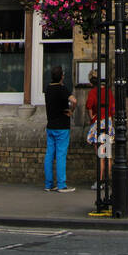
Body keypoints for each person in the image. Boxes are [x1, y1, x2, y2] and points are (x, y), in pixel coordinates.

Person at [43, 64, 76, 192]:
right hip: (62, 126)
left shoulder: (48, 88)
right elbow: (74, 100)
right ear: (62, 76)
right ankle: (61, 185)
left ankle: (49, 184)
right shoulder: (62, 89)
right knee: (61, 155)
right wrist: (71, 110)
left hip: (51, 125)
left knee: (49, 155)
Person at [85, 69, 115, 190]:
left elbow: (89, 106)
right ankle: (107, 181)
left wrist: (92, 117)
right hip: (108, 122)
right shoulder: (108, 91)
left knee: (100, 155)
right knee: (108, 155)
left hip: (98, 123)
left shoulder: (93, 92)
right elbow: (113, 108)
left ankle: (99, 181)